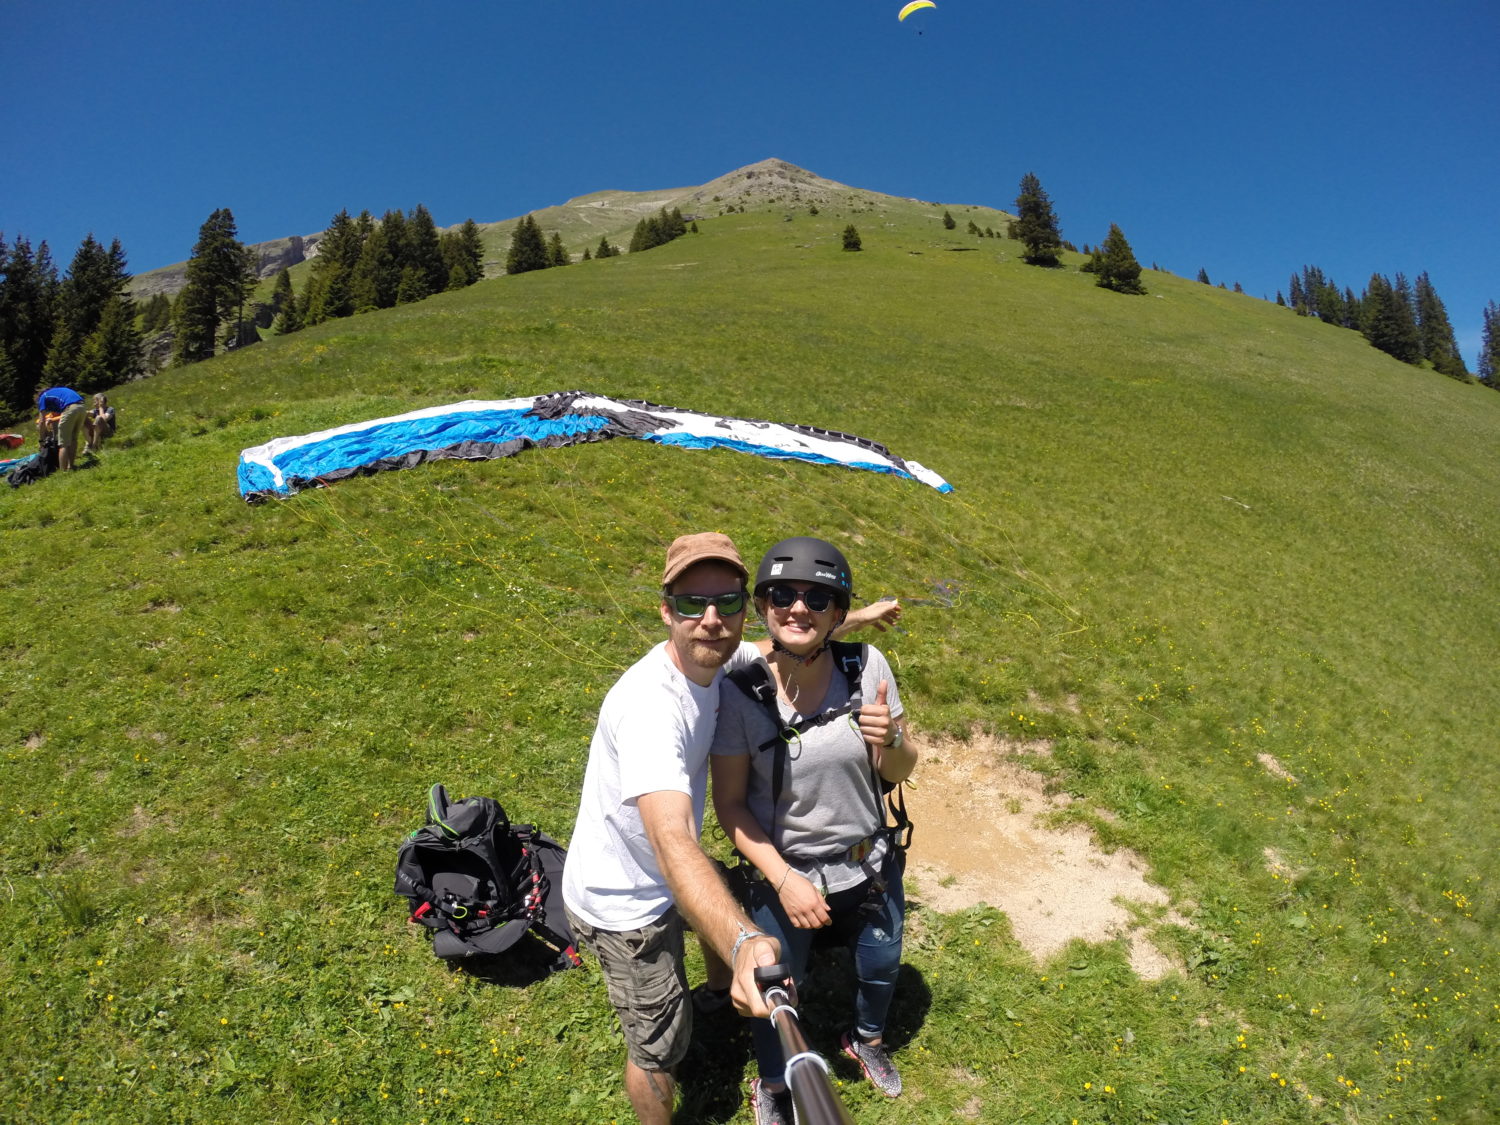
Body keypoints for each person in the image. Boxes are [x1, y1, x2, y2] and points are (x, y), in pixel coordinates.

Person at [561, 532, 785, 1125]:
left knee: (710, 888)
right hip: (624, 904)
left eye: (728, 603)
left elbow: (769, 646)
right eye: (692, 604)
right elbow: (672, 842)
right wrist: (743, 945)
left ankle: (715, 1000)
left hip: (651, 872)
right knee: (659, 1043)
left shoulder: (714, 655)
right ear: (666, 611)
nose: (711, 620)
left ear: (743, 607)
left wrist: (854, 615)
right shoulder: (651, 710)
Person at [711, 536, 919, 1124]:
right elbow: (729, 805)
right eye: (782, 595)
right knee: (776, 990)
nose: (797, 608)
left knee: (882, 963)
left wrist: (894, 740)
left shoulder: (864, 667)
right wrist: (782, 880)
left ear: (835, 612)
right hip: (786, 868)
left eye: (817, 599)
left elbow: (898, 772)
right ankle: (776, 1084)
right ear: (762, 606)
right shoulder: (739, 690)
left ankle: (867, 1041)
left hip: (868, 860)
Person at [35, 386, 85, 471]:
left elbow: (41, 421)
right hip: (82, 407)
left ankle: (63, 472)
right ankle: (71, 466)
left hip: (70, 408)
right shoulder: (57, 392)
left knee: (63, 443)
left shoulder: (44, 397)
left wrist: (41, 440)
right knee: (73, 439)